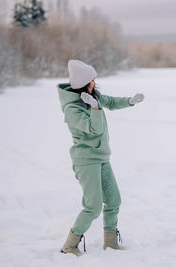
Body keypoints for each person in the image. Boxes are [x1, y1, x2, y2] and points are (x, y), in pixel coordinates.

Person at [57, 60, 144, 256]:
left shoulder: (92, 96)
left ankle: (110, 243)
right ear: (83, 83)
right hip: (86, 160)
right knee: (93, 206)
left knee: (113, 200)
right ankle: (70, 245)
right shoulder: (72, 109)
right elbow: (94, 128)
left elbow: (111, 102)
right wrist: (95, 109)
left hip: (102, 156)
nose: (95, 83)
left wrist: (130, 101)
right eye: (92, 80)